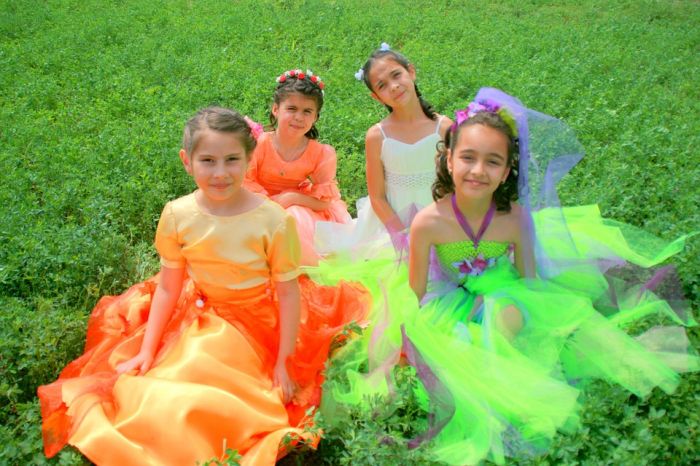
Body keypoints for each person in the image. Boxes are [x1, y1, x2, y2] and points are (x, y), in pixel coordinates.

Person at [322, 89, 698, 465]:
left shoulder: (515, 218)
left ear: (505, 173)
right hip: (447, 295)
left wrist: (509, 304)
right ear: (448, 159)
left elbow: (528, 281)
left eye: (493, 162)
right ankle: (487, 389)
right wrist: (404, 340)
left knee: (510, 314)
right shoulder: (428, 222)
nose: (478, 170)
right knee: (451, 342)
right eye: (468, 157)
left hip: (500, 287)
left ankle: (506, 383)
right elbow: (415, 291)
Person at [37, 107, 369, 466]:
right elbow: (168, 288)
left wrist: (284, 363)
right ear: (187, 161)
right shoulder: (177, 214)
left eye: (232, 160)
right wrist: (148, 349)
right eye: (208, 160)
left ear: (249, 160)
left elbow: (288, 293)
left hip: (257, 319)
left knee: (228, 396)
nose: (220, 172)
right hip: (199, 312)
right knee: (154, 386)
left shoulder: (272, 220)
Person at [315, 43, 452, 256]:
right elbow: (377, 197)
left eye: (397, 75)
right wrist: (402, 237)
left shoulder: (443, 128)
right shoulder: (378, 136)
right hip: (393, 225)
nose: (394, 86)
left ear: (411, 71)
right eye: (382, 85)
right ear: (376, 97)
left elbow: (455, 185)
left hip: (441, 219)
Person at [244, 69, 351, 265]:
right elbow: (243, 184)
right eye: (291, 109)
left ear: (316, 117)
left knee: (293, 216)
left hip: (296, 206)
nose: (299, 117)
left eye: (307, 111)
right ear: (276, 109)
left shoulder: (321, 153)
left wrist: (291, 198)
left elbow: (324, 203)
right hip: (255, 203)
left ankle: (301, 266)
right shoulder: (258, 144)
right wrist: (274, 204)